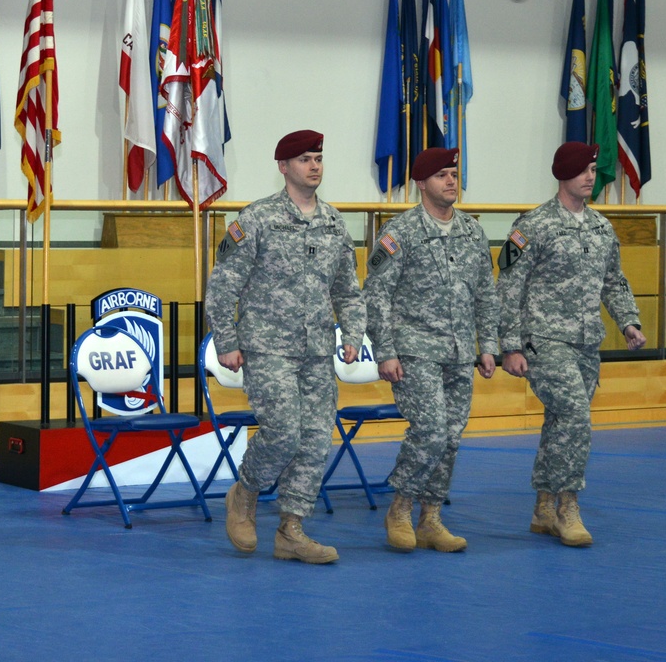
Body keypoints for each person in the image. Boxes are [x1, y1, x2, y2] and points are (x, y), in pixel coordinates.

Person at [205, 130, 366, 564]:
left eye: (318, 158)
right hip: (267, 346)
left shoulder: (333, 222)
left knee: (315, 440)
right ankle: (245, 493)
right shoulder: (256, 219)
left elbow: (347, 290)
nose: (314, 166)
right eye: (304, 159)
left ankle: (292, 530)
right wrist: (226, 341)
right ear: (283, 167)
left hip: (316, 349)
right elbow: (223, 286)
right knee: (283, 432)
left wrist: (351, 334)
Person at [497, 141, 646, 547]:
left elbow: (613, 280)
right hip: (543, 339)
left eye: (593, 170)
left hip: (585, 342)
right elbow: (509, 286)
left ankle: (543, 506)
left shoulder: (601, 227)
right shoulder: (533, 225)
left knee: (562, 421)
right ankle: (568, 507)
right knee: (576, 416)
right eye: (582, 170)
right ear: (563, 174)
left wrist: (628, 322)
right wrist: (509, 345)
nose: (589, 177)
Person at [363, 147, 499, 552]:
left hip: (459, 352)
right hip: (414, 350)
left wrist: (488, 345)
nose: (451, 181)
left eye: (454, 173)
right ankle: (400, 509)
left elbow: (486, 295)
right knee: (431, 432)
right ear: (421, 184)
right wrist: (385, 350)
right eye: (441, 175)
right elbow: (377, 295)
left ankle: (431, 518)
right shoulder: (399, 233)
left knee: (451, 438)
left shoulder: (472, 232)